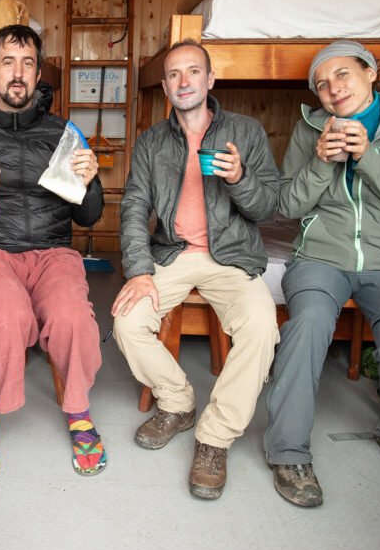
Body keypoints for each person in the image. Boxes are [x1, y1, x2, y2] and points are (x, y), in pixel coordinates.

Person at [264, 40, 380, 507]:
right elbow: (287, 205)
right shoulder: (310, 129)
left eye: (342, 74)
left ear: (370, 73)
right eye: (322, 84)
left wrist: (369, 157)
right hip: (320, 256)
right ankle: (287, 451)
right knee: (305, 329)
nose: (332, 88)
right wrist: (322, 162)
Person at [0, 24, 106, 488]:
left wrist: (90, 182)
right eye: (8, 62)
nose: (18, 73)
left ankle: (79, 410)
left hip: (53, 251)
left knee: (74, 319)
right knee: (7, 321)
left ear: (38, 72)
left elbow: (90, 216)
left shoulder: (63, 131)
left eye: (27, 63)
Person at [112, 39, 280, 500]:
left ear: (210, 80)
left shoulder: (245, 132)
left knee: (262, 327)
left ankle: (214, 438)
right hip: (173, 254)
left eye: (193, 72)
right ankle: (178, 402)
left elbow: (271, 205)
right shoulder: (151, 142)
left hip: (232, 255)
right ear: (165, 86)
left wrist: (240, 179)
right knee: (127, 321)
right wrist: (139, 269)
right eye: (174, 74)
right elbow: (133, 207)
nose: (184, 81)